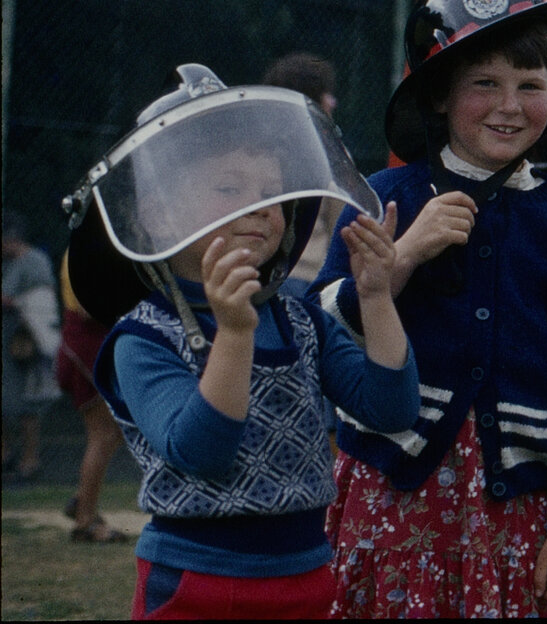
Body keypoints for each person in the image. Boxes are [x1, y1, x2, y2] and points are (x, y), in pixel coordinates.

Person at [311, 0, 547, 618]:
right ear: (441, 93)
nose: (510, 107)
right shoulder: (384, 200)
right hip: (389, 497)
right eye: (485, 82)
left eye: (531, 84)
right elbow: (319, 329)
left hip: (514, 512)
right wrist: (403, 258)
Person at [65, 64, 419, 619]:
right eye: (229, 189)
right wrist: (234, 334)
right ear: (157, 215)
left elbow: (392, 409)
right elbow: (200, 452)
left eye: (273, 194)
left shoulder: (301, 321)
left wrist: (375, 299)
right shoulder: (141, 339)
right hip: (197, 583)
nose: (260, 208)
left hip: (307, 577)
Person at [54, 252, 130, 543]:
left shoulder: (87, 247)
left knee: (113, 432)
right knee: (104, 434)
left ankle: (81, 501)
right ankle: (85, 521)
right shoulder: (86, 250)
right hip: (85, 346)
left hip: (87, 345)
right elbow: (88, 309)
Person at [261, 52, 343, 293]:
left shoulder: (256, 150)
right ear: (311, 101)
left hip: (259, 278)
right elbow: (341, 227)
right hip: (308, 280)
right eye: (325, 95)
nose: (332, 102)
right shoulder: (328, 153)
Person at [3, 213, 60, 482]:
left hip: (27, 343)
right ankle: (6, 455)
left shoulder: (34, 260)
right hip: (8, 341)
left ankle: (30, 459)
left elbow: (38, 299)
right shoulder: (10, 263)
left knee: (29, 403)